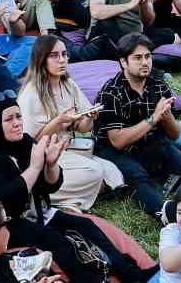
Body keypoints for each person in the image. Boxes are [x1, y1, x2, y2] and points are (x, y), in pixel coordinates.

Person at [0, 92, 151, 283]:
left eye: (18, 116)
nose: (17, 123)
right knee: (52, 238)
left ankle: (129, 271)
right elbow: (6, 203)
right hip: (0, 225)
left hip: (35, 212)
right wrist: (35, 167)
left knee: (85, 224)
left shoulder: (23, 142)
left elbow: (49, 187)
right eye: (9, 119)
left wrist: (51, 165)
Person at [93, 34, 181, 218]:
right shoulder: (111, 92)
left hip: (151, 142)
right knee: (138, 177)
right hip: (115, 150)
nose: (145, 62)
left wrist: (167, 117)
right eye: (137, 58)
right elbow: (117, 141)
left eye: (147, 56)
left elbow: (174, 135)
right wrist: (153, 118)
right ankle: (165, 215)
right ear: (123, 62)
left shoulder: (157, 86)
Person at [15, 34, 123, 211]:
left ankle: (71, 197)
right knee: (94, 172)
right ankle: (38, 192)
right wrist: (59, 121)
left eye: (64, 54)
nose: (62, 60)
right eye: (54, 56)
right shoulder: (31, 93)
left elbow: (82, 128)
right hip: (41, 155)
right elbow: (29, 141)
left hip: (67, 149)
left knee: (113, 172)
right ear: (41, 60)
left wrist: (89, 116)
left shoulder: (68, 84)